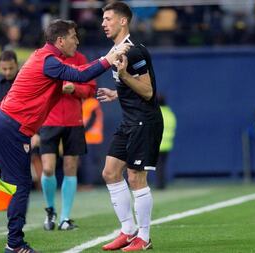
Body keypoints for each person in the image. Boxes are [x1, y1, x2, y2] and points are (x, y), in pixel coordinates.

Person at [0, 19, 129, 253]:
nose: (77, 41)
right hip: (12, 126)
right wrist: (109, 59)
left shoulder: (44, 57)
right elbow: (81, 76)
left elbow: (80, 76)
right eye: (74, 36)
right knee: (20, 184)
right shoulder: (49, 61)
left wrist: (108, 57)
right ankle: (15, 244)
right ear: (60, 40)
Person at [97, 2, 163, 251]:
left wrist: (124, 77)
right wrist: (117, 92)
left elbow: (147, 92)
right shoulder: (117, 49)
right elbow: (134, 87)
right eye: (103, 19)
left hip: (145, 121)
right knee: (110, 172)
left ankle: (144, 237)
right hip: (130, 121)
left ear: (123, 21)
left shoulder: (132, 52)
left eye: (108, 18)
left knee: (136, 177)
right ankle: (127, 230)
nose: (103, 23)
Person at [38, 50, 96, 231]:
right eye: (72, 37)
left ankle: (65, 217)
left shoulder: (80, 58)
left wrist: (74, 89)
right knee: (47, 168)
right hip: (49, 120)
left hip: (74, 122)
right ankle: (50, 211)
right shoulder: (46, 58)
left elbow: (90, 89)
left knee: (70, 168)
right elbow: (37, 87)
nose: (75, 41)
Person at [78, 96, 104, 187]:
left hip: (93, 139)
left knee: (89, 162)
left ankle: (89, 183)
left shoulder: (92, 102)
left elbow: (92, 120)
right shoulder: (83, 103)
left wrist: (81, 131)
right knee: (85, 162)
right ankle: (86, 182)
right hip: (85, 139)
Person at [155, 94, 176, 190]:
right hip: (167, 144)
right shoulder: (170, 114)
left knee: (156, 166)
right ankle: (162, 183)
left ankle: (159, 185)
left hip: (156, 144)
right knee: (162, 165)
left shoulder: (155, 113)